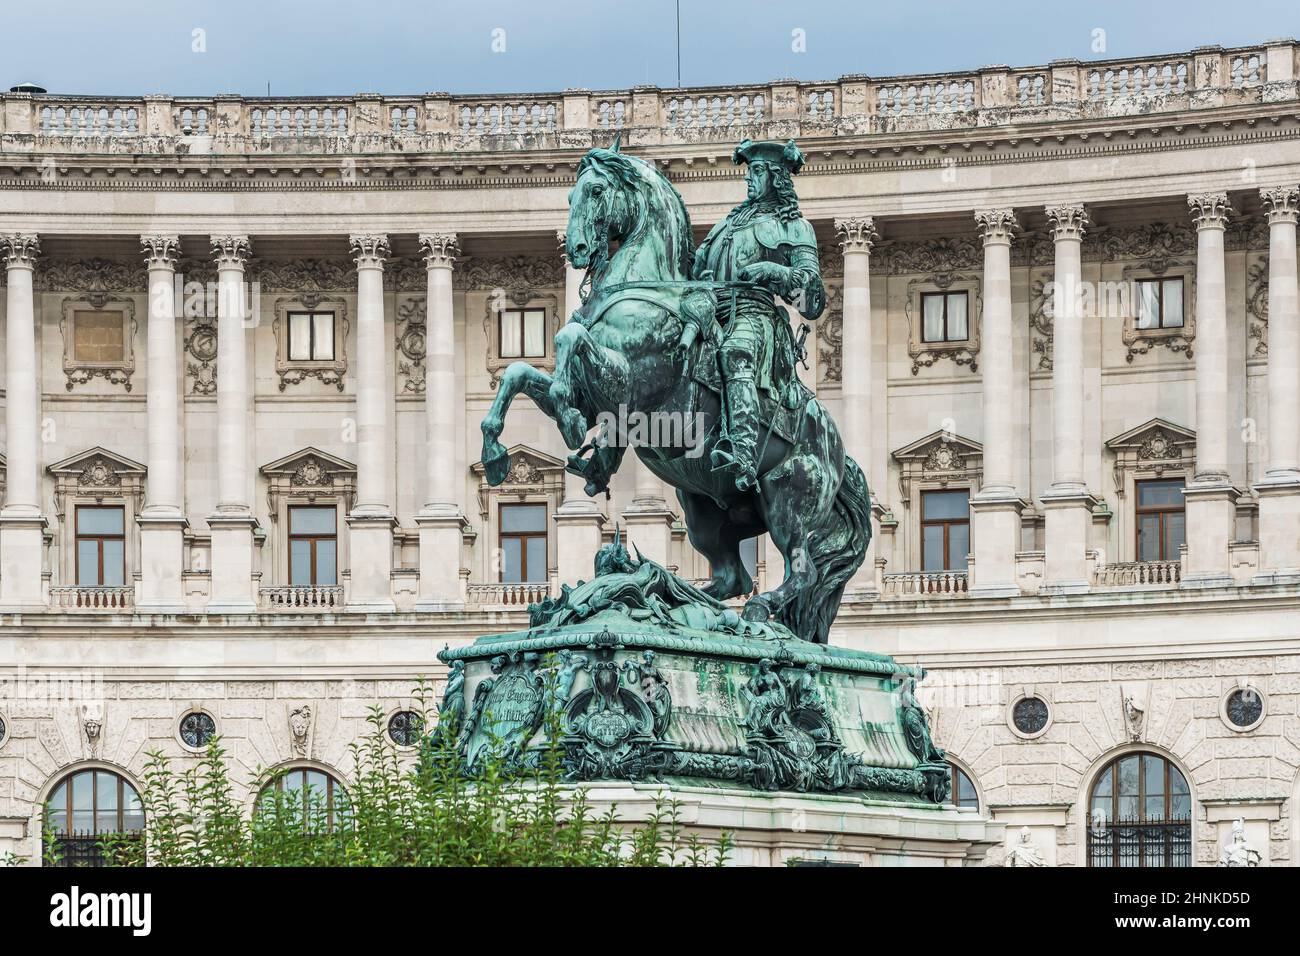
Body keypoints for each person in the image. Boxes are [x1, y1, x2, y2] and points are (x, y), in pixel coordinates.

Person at [691, 139, 825, 491]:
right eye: (748, 172)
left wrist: (773, 271)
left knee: (735, 352)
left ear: (776, 177)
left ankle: (744, 452)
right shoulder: (725, 226)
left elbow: (810, 297)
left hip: (756, 317)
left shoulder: (794, 228)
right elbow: (696, 267)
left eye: (757, 172)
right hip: (711, 313)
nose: (749, 179)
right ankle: (606, 450)